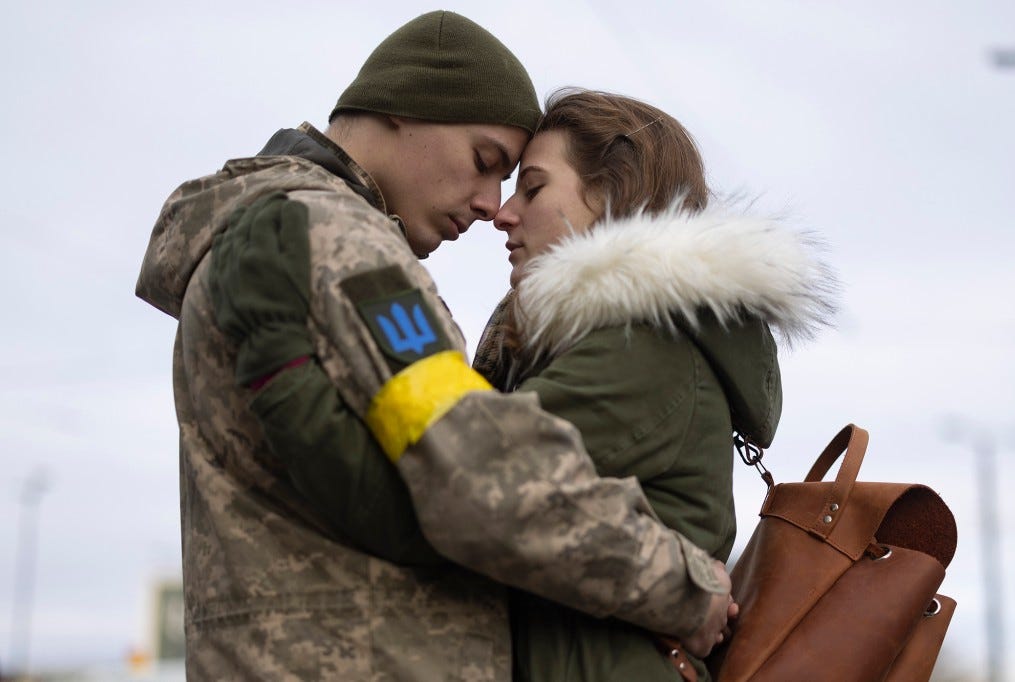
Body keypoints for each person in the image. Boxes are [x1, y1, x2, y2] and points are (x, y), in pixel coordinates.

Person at [137, 11, 735, 680]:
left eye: (516, 183)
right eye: (486, 163)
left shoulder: (269, 235)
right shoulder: (341, 241)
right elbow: (482, 474)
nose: (490, 205)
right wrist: (689, 588)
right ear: (406, 107)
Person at [226, 89, 835, 681]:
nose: (501, 212)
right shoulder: (571, 346)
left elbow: (442, 495)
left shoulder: (644, 353)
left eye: (532, 186)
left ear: (612, 195)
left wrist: (279, 363)